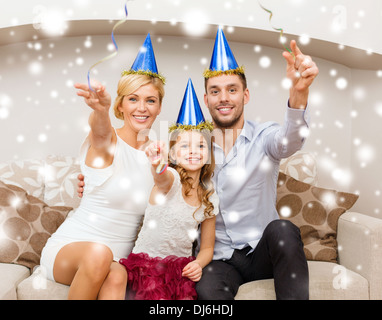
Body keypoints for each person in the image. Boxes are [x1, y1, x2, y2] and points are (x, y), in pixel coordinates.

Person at [194, 28, 319, 300]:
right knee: (206, 292)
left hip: (261, 253)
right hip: (219, 259)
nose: (223, 98)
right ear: (206, 100)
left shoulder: (265, 137)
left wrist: (299, 92)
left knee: (283, 230)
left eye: (232, 90)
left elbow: (291, 141)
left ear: (245, 96)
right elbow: (160, 181)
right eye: (215, 91)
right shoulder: (192, 149)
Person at [40, 34, 165, 300]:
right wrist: (100, 111)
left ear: (159, 107)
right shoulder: (109, 141)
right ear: (120, 104)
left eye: (150, 100)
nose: (142, 108)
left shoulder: (159, 153)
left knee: (118, 274)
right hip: (72, 249)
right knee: (100, 253)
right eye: (133, 99)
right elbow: (100, 133)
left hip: (116, 259)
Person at [119, 78, 218, 300]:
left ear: (209, 153)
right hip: (147, 267)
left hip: (179, 270)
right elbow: (161, 178)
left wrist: (199, 264)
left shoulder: (210, 195)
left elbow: (207, 247)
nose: (194, 151)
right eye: (185, 145)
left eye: (201, 145)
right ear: (173, 154)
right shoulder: (171, 179)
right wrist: (157, 164)